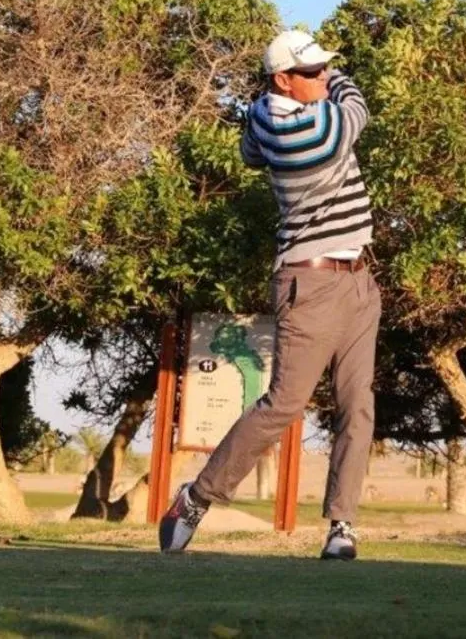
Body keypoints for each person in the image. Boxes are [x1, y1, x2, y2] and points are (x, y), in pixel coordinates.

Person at [158, 29, 380, 561]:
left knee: (359, 405)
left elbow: (250, 147)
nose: (323, 77)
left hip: (357, 282)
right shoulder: (306, 131)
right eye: (312, 72)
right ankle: (196, 497)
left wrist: (319, 68)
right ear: (283, 79)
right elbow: (357, 112)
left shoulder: (266, 114)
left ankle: (341, 526)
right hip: (312, 283)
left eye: (324, 69)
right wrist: (343, 79)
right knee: (285, 402)